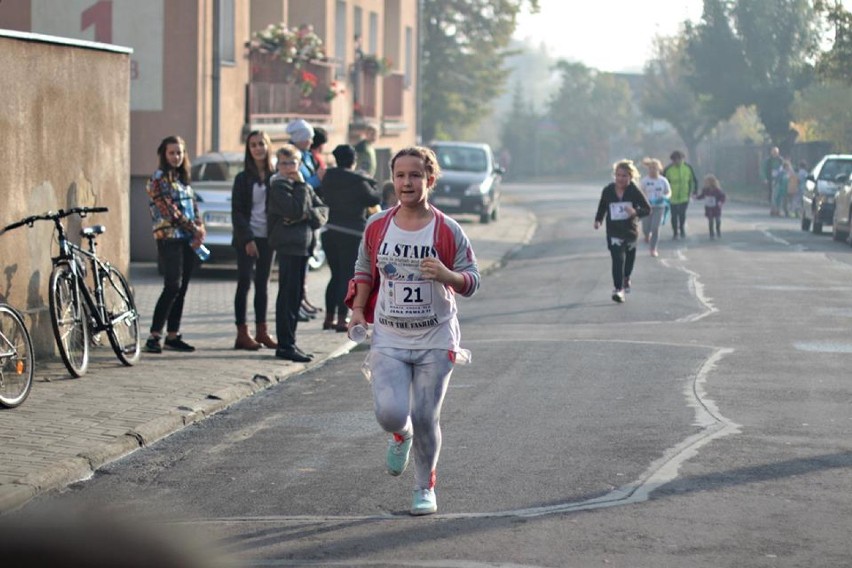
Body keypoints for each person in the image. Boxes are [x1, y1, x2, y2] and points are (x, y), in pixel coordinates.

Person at [346, 146, 480, 516]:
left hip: (436, 337)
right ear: (393, 179)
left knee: (425, 416)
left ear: (430, 180)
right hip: (389, 335)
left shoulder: (447, 229)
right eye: (401, 175)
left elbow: (473, 280)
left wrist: (447, 275)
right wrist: (358, 310)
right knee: (391, 412)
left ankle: (424, 487)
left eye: (416, 175)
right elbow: (363, 268)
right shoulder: (377, 226)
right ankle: (400, 434)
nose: (407, 182)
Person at [144, 135, 206, 353]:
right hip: (169, 238)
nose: (176, 157)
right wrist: (193, 227)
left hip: (188, 239)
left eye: (179, 152)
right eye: (172, 152)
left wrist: (200, 227)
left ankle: (172, 335)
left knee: (182, 287)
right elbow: (169, 211)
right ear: (164, 154)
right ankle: (154, 336)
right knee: (172, 286)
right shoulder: (158, 179)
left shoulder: (182, 179)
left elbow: (193, 205)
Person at [267, 144, 325, 363]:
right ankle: (285, 345)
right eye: (284, 163)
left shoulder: (304, 187)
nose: (289, 167)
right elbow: (294, 210)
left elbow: (322, 212)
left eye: (293, 162)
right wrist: (301, 190)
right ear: (277, 165)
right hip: (288, 246)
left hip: (303, 247)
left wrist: (306, 215)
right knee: (288, 297)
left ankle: (291, 341)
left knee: (296, 297)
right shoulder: (279, 186)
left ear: (299, 164)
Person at [317, 144, 382, 331]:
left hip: (330, 231)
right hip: (351, 233)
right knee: (347, 277)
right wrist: (370, 181)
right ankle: (341, 319)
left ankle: (328, 318)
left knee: (334, 276)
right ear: (353, 161)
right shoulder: (358, 180)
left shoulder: (327, 178)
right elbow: (374, 199)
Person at [230, 130, 277, 350]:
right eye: (253, 145)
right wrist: (248, 239)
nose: (258, 148)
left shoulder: (274, 176)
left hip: (268, 239)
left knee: (263, 285)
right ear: (248, 150)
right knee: (244, 283)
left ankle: (262, 332)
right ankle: (242, 333)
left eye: (261, 144)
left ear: (268, 146)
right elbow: (237, 212)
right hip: (246, 238)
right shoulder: (242, 178)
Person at [594, 159, 651, 303]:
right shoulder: (608, 190)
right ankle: (618, 289)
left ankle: (626, 277)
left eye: (624, 176)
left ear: (631, 177)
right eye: (618, 175)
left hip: (630, 232)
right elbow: (602, 206)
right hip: (613, 232)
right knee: (618, 260)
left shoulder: (634, 191)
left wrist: (635, 212)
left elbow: (647, 209)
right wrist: (598, 220)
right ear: (614, 175)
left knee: (629, 261)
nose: (620, 178)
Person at [285, 117, 323, 318]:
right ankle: (296, 302)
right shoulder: (293, 156)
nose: (310, 141)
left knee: (307, 261)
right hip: (301, 210)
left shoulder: (307, 155)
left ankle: (303, 298)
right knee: (297, 266)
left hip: (311, 212)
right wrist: (318, 179)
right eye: (307, 138)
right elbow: (300, 183)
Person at [639, 157, 672, 257]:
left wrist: (665, 197)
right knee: (646, 228)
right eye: (651, 168)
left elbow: (669, 192)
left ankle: (653, 249)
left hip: (659, 206)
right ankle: (646, 234)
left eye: (655, 168)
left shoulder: (663, 180)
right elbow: (640, 192)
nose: (652, 170)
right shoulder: (645, 180)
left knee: (655, 228)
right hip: (646, 207)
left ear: (659, 169)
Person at [663, 150, 698, 239]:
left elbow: (694, 180)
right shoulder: (668, 169)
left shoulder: (688, 168)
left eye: (679, 159)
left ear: (682, 159)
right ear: (672, 160)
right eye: (674, 160)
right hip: (672, 196)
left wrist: (695, 191)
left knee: (682, 214)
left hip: (684, 196)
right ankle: (675, 232)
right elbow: (662, 182)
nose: (677, 161)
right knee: (674, 215)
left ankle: (682, 229)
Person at [694, 174, 727, 239]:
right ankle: (711, 234)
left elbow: (722, 197)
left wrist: (720, 202)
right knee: (710, 221)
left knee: (718, 220)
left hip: (716, 208)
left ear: (711, 182)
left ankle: (718, 231)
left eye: (707, 182)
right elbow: (702, 196)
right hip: (709, 208)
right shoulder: (705, 190)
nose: (705, 183)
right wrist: (696, 197)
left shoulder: (717, 190)